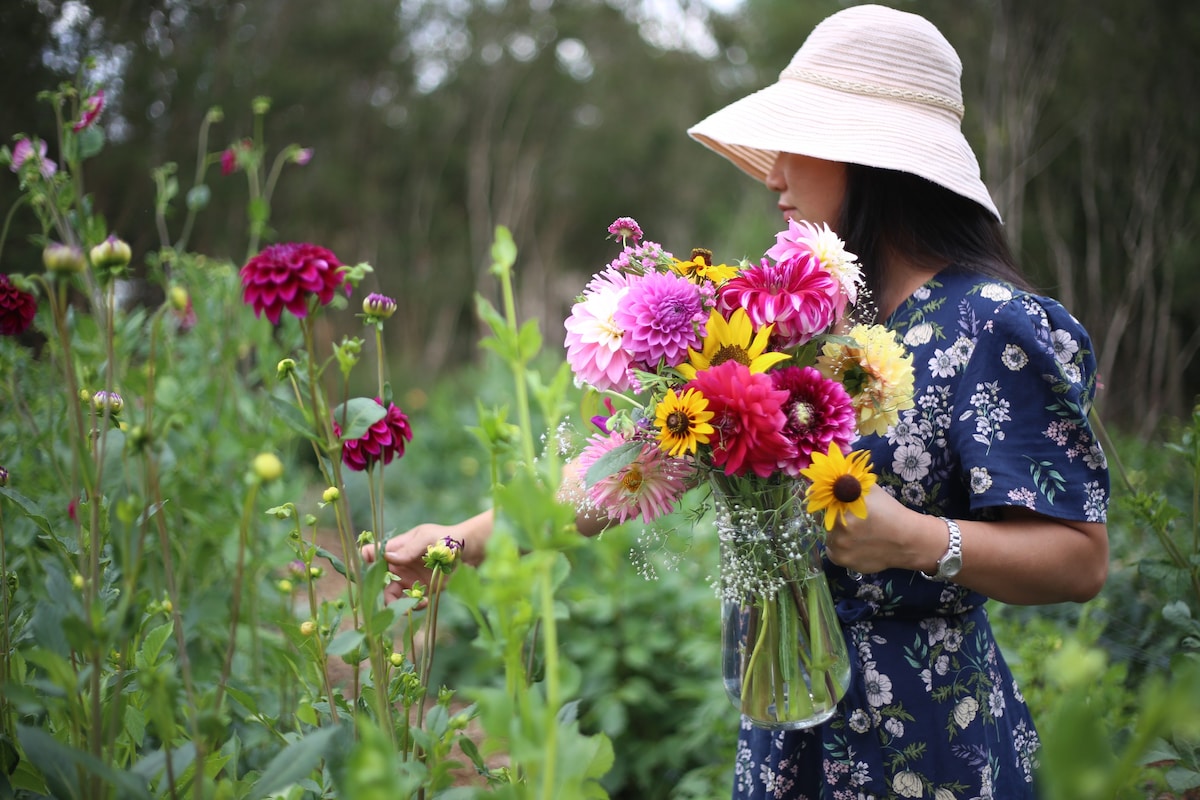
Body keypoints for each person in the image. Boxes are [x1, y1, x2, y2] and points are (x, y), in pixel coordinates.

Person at [366, 5, 1111, 798]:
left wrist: (916, 541)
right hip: (785, 727)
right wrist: (462, 541)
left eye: (798, 144)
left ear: (872, 159)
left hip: (930, 738)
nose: (774, 174)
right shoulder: (796, 318)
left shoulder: (993, 324)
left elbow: (1079, 557)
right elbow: (632, 467)